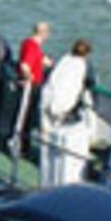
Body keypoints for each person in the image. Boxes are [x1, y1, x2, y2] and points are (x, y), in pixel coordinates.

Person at [39, 40, 94, 187]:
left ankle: (46, 180)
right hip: (62, 108)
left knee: (46, 143)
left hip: (47, 102)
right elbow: (89, 82)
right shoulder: (82, 65)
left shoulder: (64, 60)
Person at [13, 22, 53, 154]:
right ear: (44, 33)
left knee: (25, 116)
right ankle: (24, 147)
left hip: (29, 85)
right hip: (31, 86)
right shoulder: (34, 48)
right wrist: (28, 77)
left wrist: (42, 60)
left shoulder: (27, 43)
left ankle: (22, 144)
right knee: (27, 117)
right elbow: (25, 65)